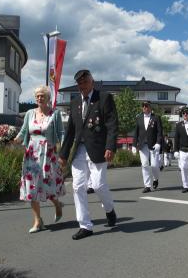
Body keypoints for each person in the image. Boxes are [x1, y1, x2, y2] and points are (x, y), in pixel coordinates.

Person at [59, 69, 118, 240]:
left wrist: (110, 147)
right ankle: (85, 225)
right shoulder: (75, 102)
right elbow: (70, 130)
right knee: (77, 187)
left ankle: (109, 210)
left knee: (99, 185)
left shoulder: (104, 98)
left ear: (92, 82)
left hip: (98, 149)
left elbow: (112, 124)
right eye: (79, 84)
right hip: (79, 150)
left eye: (85, 82)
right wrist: (63, 154)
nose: (82, 86)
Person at [13, 86, 65, 233]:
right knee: (31, 187)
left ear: (48, 98)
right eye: (37, 96)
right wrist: (13, 139)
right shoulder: (30, 113)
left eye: (42, 96)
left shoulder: (55, 114)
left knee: (47, 186)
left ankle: (57, 204)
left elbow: (61, 132)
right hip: (32, 154)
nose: (39, 98)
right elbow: (23, 131)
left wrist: (62, 153)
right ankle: (38, 221)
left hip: (48, 154)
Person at [132, 100, 163, 193]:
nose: (144, 107)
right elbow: (136, 133)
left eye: (146, 106)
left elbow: (159, 132)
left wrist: (158, 143)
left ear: (150, 107)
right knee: (145, 165)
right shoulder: (139, 118)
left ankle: (156, 179)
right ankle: (147, 186)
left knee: (154, 165)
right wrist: (134, 145)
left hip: (153, 145)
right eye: (143, 106)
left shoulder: (156, 117)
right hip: (142, 145)